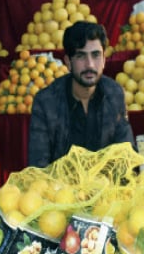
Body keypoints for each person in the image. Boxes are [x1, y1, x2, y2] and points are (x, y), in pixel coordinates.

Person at [27, 21, 135, 168]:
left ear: (104, 60)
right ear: (68, 62)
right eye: (81, 56)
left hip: (105, 187)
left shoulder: (114, 93)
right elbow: (38, 164)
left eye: (96, 55)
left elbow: (127, 153)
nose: (90, 64)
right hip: (59, 188)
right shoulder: (46, 102)